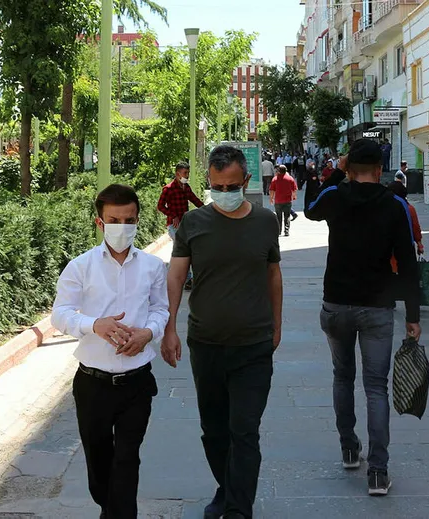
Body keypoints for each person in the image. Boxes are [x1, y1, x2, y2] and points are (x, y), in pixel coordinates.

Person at [161, 145, 282, 519]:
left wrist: (277, 326)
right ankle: (227, 488)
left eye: (232, 186)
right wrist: (169, 328)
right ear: (209, 183)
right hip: (206, 344)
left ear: (246, 180)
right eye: (217, 187)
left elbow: (273, 275)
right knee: (214, 430)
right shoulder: (193, 223)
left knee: (244, 429)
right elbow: (176, 276)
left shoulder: (265, 222)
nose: (225, 193)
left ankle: (237, 509)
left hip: (254, 345)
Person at [304, 139, 420, 497]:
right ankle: (378, 472)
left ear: (349, 168)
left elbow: (310, 209)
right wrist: (413, 315)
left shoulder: (335, 196)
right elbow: (408, 261)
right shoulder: (395, 204)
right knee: (375, 387)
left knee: (342, 376)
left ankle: (349, 448)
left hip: (337, 303)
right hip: (377, 306)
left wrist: (334, 173)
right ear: (380, 169)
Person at [51, 184, 168, 519]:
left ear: (138, 220)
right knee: (99, 465)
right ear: (99, 222)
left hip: (137, 383)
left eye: (129, 220)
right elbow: (60, 314)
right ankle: (110, 509)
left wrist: (148, 332)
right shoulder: (81, 266)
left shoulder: (152, 267)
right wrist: (95, 325)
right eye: (114, 221)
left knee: (127, 460)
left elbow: (161, 309)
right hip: (93, 384)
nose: (122, 227)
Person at [157, 163, 205, 290]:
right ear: (177, 174)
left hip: (185, 224)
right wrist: (173, 216)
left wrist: (207, 210)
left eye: (188, 173)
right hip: (174, 225)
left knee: (183, 250)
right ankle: (186, 279)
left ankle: (181, 277)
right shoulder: (168, 189)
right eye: (185, 173)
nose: (187, 176)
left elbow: (195, 200)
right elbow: (160, 206)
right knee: (182, 250)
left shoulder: (186, 188)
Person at [270, 165, 297, 237]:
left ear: (278, 171)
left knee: (278, 216)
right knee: (287, 216)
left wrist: (271, 198)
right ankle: (286, 231)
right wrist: (294, 196)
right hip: (287, 200)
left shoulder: (275, 179)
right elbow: (294, 189)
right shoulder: (290, 178)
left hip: (278, 201)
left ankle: (279, 231)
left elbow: (272, 190)